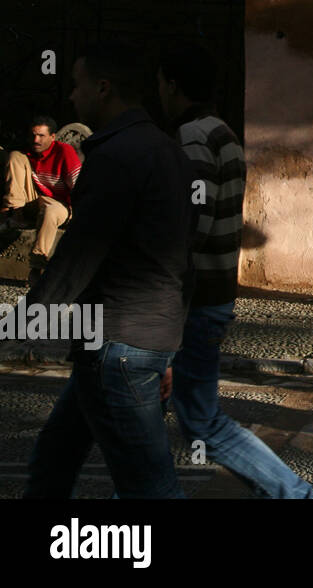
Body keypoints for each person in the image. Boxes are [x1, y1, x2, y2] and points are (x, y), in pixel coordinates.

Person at [23, 43, 193, 499]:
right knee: (53, 459)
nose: (72, 99)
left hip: (118, 345)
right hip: (136, 338)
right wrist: (171, 347)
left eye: (77, 86)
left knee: (149, 487)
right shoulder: (168, 152)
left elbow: (82, 251)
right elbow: (181, 260)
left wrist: (23, 323)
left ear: (103, 88)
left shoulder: (116, 154)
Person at [157, 42, 313, 498]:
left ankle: (297, 495)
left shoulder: (194, 135)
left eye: (161, 83)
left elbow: (196, 220)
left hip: (196, 299)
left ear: (172, 86)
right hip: (212, 294)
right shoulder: (222, 133)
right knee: (192, 417)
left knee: (198, 419)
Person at [1, 115, 82, 282]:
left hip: (62, 205)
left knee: (51, 209)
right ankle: (15, 214)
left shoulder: (64, 151)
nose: (36, 140)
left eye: (41, 136)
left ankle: (37, 264)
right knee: (15, 156)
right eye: (33, 135)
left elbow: (79, 186)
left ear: (52, 137)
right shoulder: (28, 152)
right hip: (35, 200)